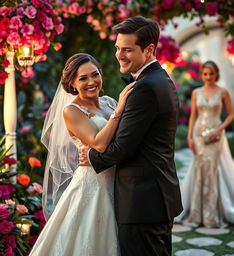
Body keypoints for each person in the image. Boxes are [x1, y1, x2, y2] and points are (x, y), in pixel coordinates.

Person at [79, 16, 183, 256]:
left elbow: (123, 147)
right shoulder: (159, 79)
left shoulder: (146, 87)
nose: (119, 55)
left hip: (143, 200)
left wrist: (91, 156)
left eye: (127, 49)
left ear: (149, 50)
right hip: (152, 195)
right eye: (117, 48)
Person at [29, 53, 134, 256]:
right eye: (83, 78)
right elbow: (99, 143)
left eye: (94, 74)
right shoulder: (72, 111)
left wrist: (117, 108)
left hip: (119, 180)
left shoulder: (108, 102)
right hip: (93, 184)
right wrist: (121, 108)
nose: (91, 82)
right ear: (72, 83)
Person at [176, 60, 234, 228]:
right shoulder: (196, 92)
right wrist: (190, 137)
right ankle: (196, 214)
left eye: (211, 74)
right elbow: (193, 116)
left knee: (212, 170)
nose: (208, 77)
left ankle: (211, 215)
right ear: (202, 75)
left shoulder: (223, 92)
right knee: (200, 169)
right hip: (198, 135)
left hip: (215, 135)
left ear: (216, 74)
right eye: (205, 74)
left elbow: (231, 115)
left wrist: (218, 130)